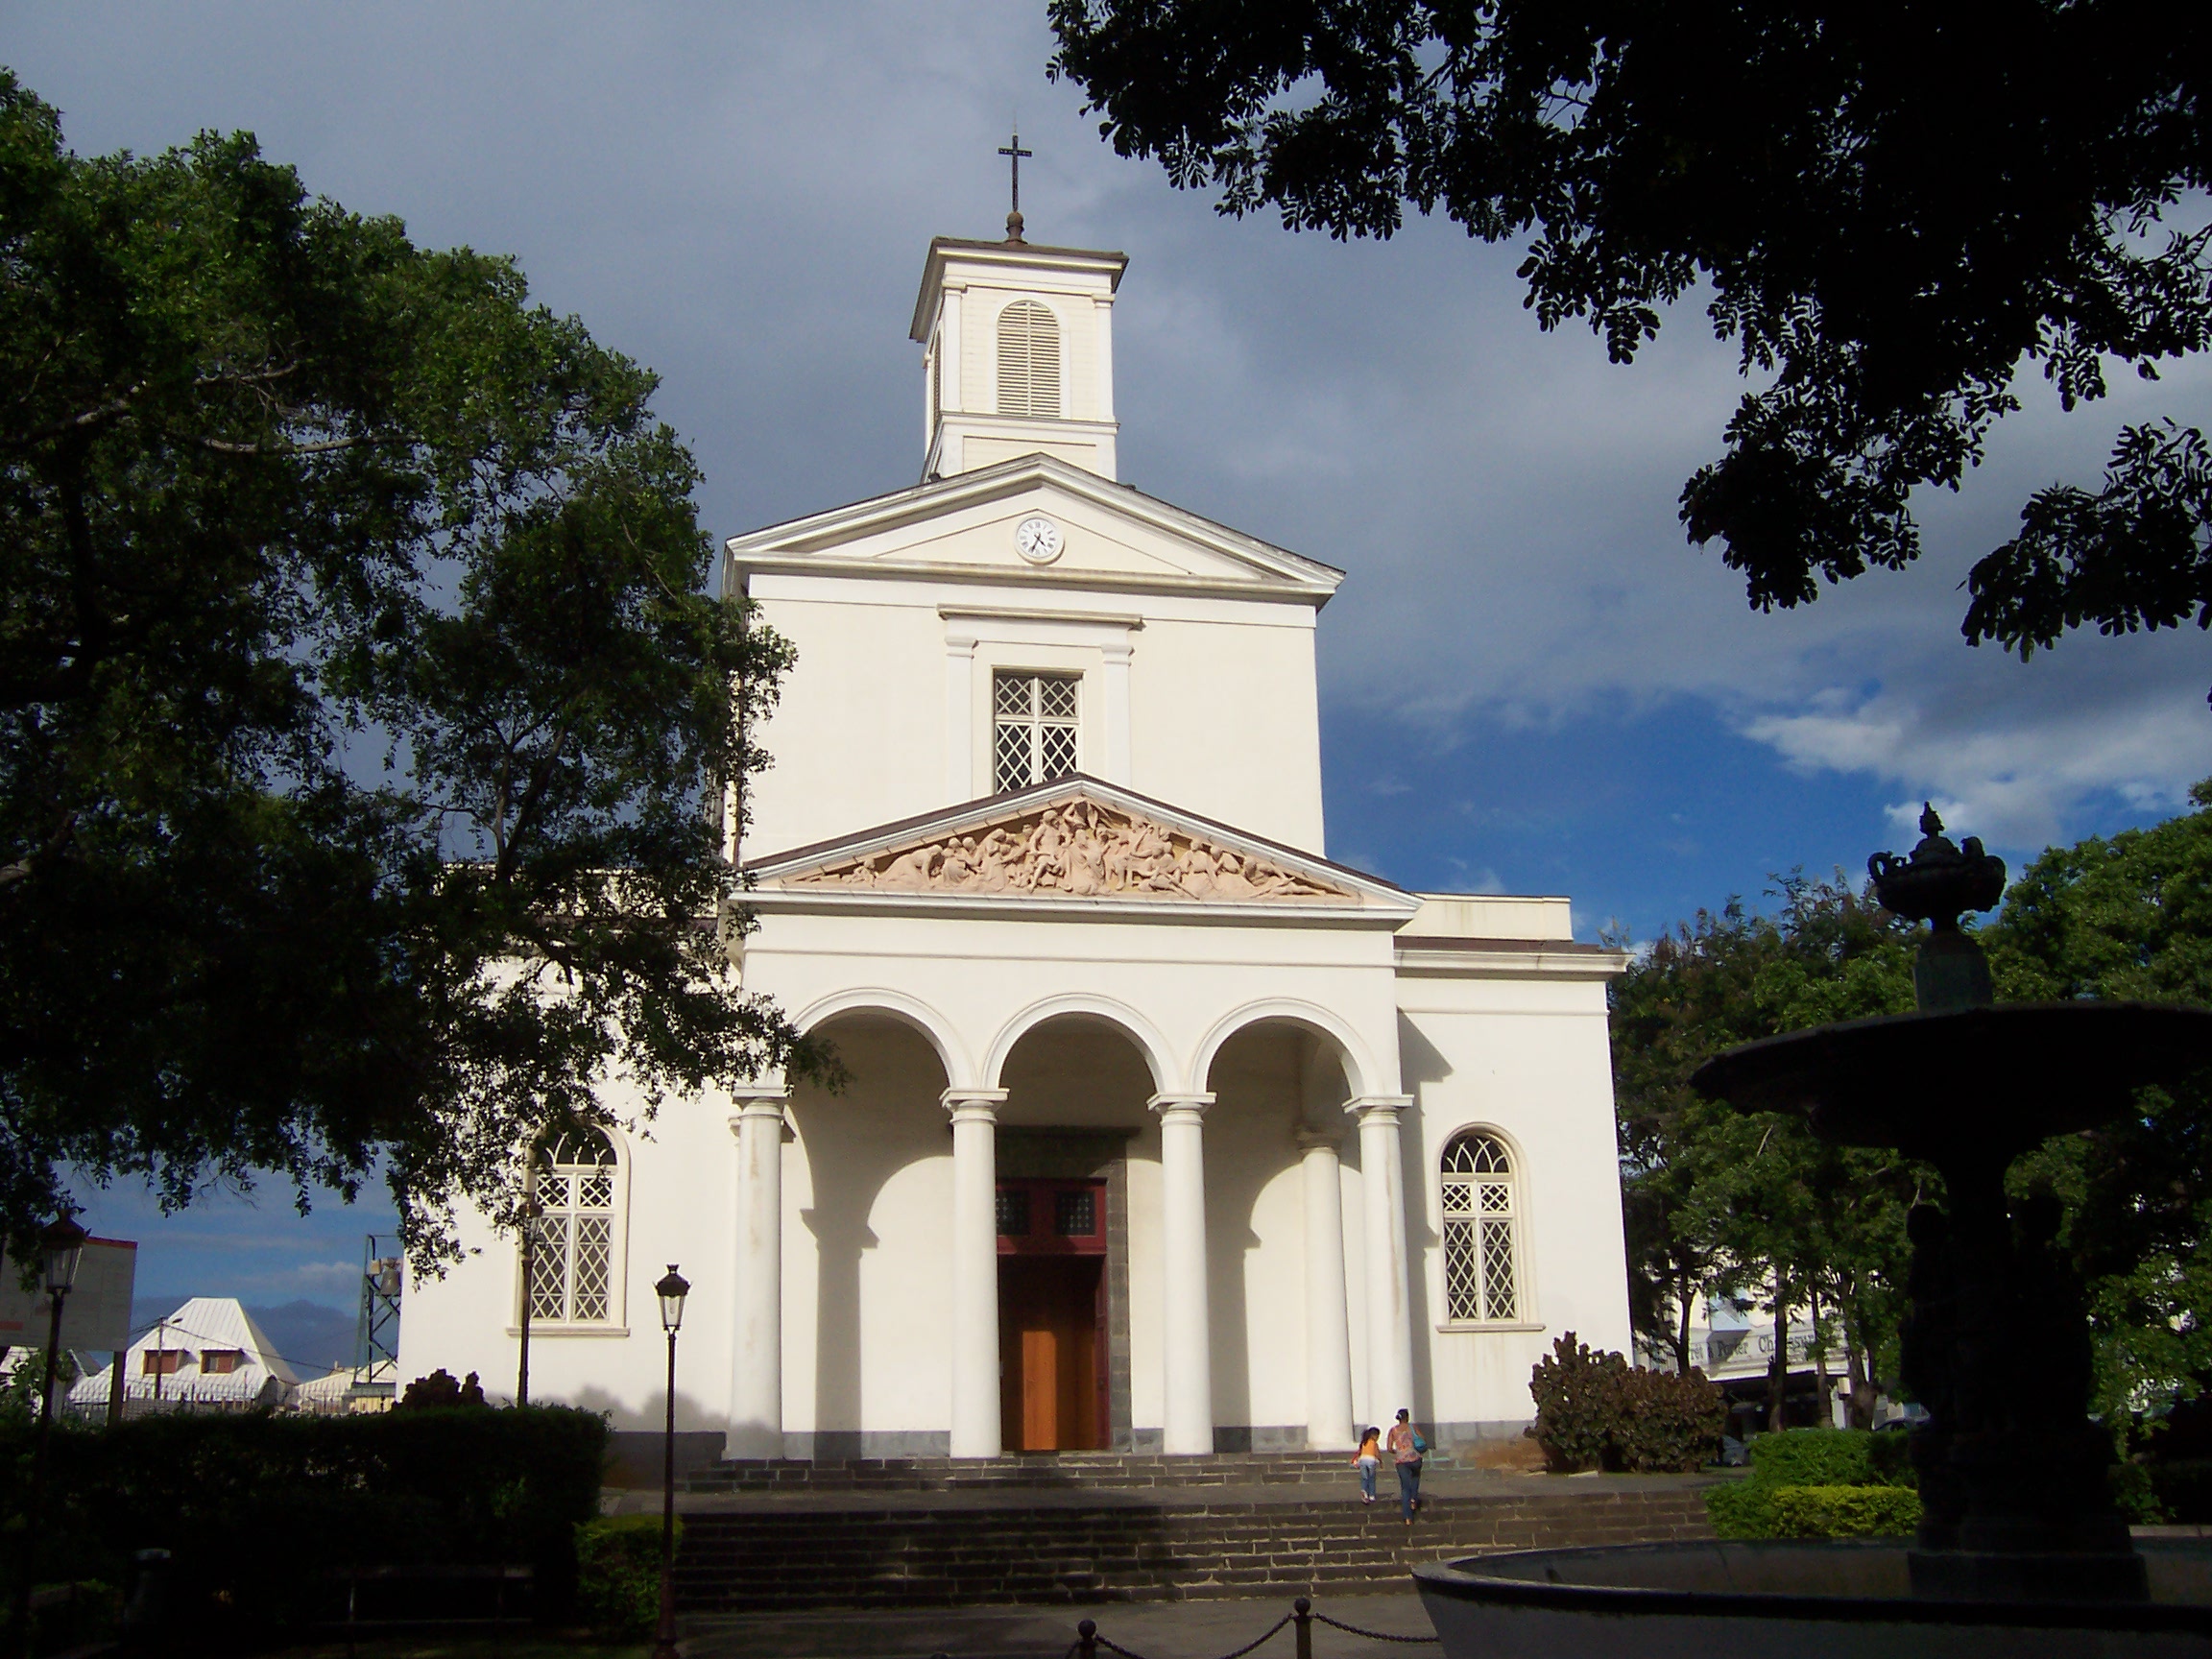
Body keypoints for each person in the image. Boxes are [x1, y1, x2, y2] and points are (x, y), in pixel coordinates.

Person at [1386, 1407, 1427, 1524]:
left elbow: (1389, 1448)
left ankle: (1408, 1517)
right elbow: (1422, 1439)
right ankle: (1414, 1499)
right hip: (1414, 1458)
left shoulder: (1393, 1430)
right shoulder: (1413, 1427)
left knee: (1405, 1488)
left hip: (1401, 1461)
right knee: (1415, 1478)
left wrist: (1398, 1451)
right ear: (1407, 1417)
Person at [1353, 1426, 1382, 1504]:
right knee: (1371, 1478)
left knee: (1364, 1477)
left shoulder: (1364, 1442)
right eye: (1377, 1436)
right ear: (1374, 1435)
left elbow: (1360, 1452)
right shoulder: (1374, 1443)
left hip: (1362, 1460)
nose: (1377, 1438)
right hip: (1371, 1461)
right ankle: (1372, 1495)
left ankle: (1364, 1491)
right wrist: (1380, 1461)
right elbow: (1377, 1453)